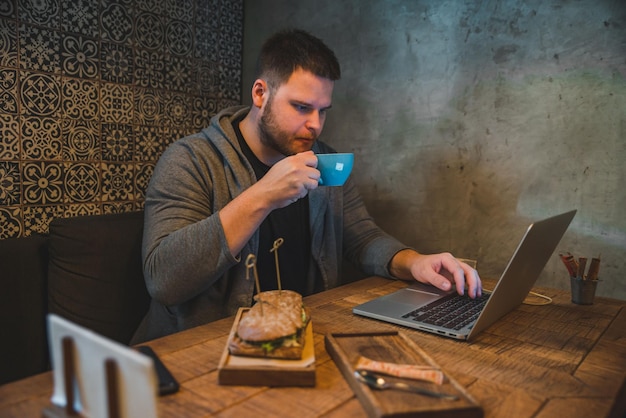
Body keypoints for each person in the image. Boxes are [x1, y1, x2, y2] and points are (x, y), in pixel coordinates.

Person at [131, 28, 482, 343]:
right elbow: (164, 280)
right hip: (201, 351)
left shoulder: (322, 158)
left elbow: (362, 237)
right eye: (301, 107)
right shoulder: (190, 160)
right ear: (260, 93)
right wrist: (264, 195)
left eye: (323, 110)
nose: (315, 125)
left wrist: (414, 262)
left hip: (298, 340)